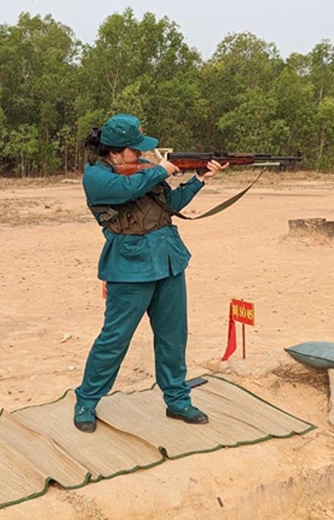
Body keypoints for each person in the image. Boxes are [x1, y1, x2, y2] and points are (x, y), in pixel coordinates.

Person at [73, 114, 227, 433]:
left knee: (173, 336)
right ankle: (87, 400)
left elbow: (169, 204)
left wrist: (199, 179)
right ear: (115, 151)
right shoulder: (98, 178)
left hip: (168, 260)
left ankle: (177, 399)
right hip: (129, 268)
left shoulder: (144, 173)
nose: (141, 156)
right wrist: (162, 169)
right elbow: (125, 190)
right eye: (135, 151)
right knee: (114, 339)